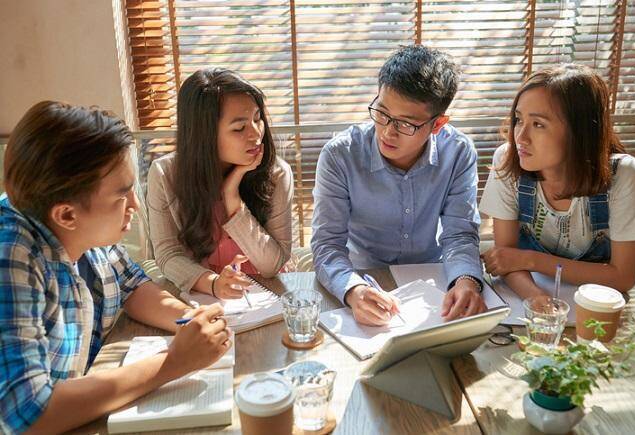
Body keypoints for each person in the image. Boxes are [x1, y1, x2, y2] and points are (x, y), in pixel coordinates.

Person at [0, 101, 232, 434]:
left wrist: (189, 321)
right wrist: (175, 362)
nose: (135, 206)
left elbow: (131, 284)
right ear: (66, 215)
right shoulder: (11, 256)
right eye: (123, 195)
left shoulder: (82, 227)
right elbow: (29, 414)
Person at [311, 45, 487, 326]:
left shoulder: (458, 152)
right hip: (363, 274)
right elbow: (327, 244)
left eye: (406, 124)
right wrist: (353, 289)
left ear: (438, 124)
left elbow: (460, 234)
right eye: (381, 113)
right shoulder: (340, 154)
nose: (388, 132)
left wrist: (466, 280)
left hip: (432, 280)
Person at [480, 64, 635, 299]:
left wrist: (530, 259)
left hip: (598, 301)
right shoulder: (507, 159)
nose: (520, 137)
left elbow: (622, 277)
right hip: (532, 292)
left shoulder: (623, 174)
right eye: (519, 120)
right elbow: (506, 259)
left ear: (578, 131)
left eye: (538, 124)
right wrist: (535, 298)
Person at [147, 68, 293, 299]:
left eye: (257, 119)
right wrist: (214, 283)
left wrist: (231, 197)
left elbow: (271, 265)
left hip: (267, 295)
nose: (256, 134)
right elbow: (168, 253)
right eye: (239, 128)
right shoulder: (165, 175)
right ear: (203, 134)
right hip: (201, 294)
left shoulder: (277, 173)